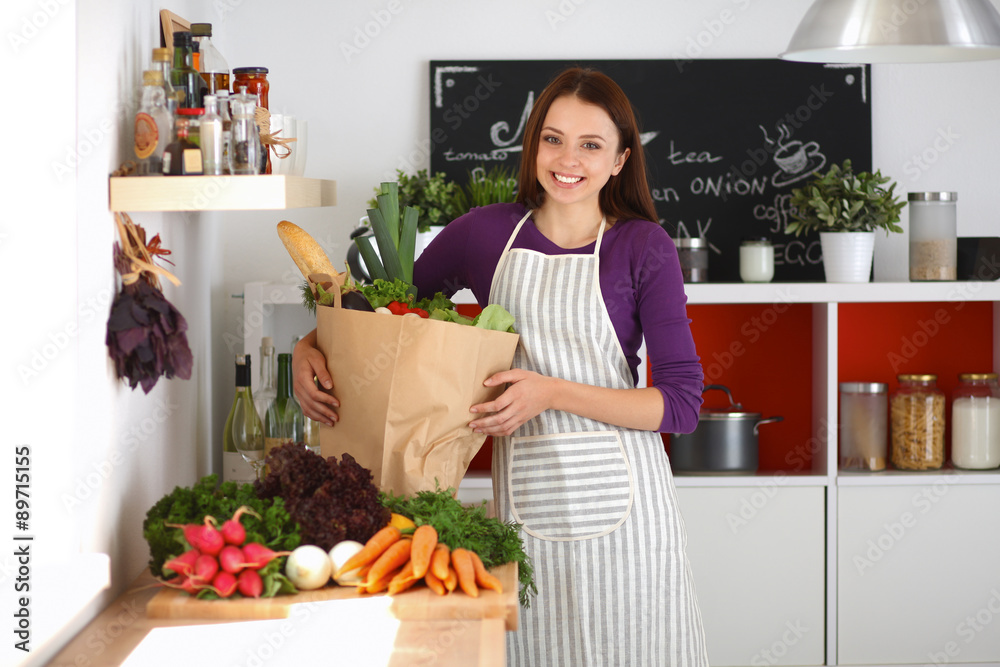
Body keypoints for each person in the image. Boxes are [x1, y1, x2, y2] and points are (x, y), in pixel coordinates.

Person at [293, 67, 708, 666]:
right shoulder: (484, 235)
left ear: (620, 160)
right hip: (527, 512)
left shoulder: (643, 247)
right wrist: (311, 346)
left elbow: (680, 405)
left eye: (591, 144)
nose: (568, 158)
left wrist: (552, 392)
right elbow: (380, 314)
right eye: (552, 138)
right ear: (533, 143)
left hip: (631, 519)